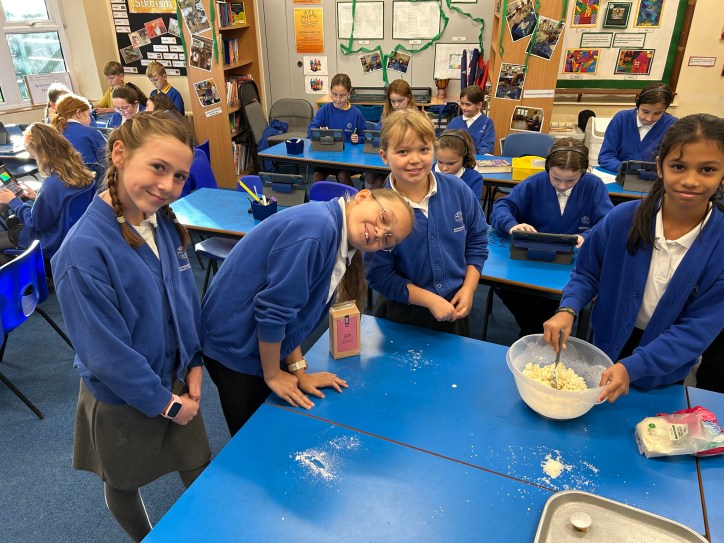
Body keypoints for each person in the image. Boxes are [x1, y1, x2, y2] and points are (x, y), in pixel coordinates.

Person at [50, 111, 210, 542]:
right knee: (122, 481)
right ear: (119, 154)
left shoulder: (162, 221)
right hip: (124, 397)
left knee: (199, 464)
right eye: (157, 167)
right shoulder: (83, 252)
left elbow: (183, 298)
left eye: (179, 176)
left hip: (174, 376)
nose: (167, 185)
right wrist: (166, 404)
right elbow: (106, 355)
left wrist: (194, 360)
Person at [201, 189, 415, 436]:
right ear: (363, 196)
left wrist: (297, 370)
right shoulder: (318, 230)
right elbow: (274, 311)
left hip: (259, 342)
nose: (379, 233)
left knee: (274, 422)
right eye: (384, 218)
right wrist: (273, 374)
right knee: (254, 436)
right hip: (235, 348)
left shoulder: (339, 237)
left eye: (388, 239)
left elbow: (295, 313)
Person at [543, 114, 724, 403]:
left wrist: (634, 367)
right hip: (607, 350)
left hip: (665, 369)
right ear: (660, 167)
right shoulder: (622, 219)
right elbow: (587, 272)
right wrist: (568, 307)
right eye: (678, 166)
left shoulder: (719, 244)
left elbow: (697, 329)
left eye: (707, 170)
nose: (690, 180)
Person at [365, 109, 489, 337]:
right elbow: (379, 275)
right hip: (403, 312)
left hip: (455, 306)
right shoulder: (376, 210)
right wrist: (429, 300)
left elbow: (477, 242)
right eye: (403, 151)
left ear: (434, 149)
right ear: (384, 156)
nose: (415, 160)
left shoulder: (458, 190)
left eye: (424, 149)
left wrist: (469, 288)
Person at [490, 138, 614, 337]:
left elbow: (607, 222)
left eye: (571, 180)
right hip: (529, 261)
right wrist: (512, 225)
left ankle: (536, 330)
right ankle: (537, 329)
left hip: (570, 266)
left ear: (583, 172)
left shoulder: (593, 186)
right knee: (510, 290)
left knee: (563, 297)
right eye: (555, 178)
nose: (562, 185)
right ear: (548, 168)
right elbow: (501, 207)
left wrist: (587, 235)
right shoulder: (535, 182)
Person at [0, 123, 95, 264]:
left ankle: (22, 270)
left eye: (34, 156)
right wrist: (38, 196)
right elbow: (63, 204)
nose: (35, 160)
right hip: (73, 235)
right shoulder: (82, 174)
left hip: (49, 241)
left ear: (43, 156)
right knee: (13, 222)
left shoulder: (51, 185)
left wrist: (13, 201)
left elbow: (35, 224)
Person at [598, 83, 678, 173]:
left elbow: (671, 164)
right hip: (616, 174)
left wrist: (642, 174)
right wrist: (628, 170)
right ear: (638, 105)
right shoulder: (622, 118)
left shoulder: (672, 125)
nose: (649, 118)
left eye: (657, 113)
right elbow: (606, 157)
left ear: (665, 110)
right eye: (645, 112)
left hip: (651, 179)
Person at [307, 73, 367, 186]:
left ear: (349, 92)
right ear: (330, 91)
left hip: (347, 158)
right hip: (327, 156)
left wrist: (358, 139)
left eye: (342, 95)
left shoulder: (356, 114)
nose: (338, 99)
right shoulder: (325, 110)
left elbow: (366, 137)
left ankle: (352, 195)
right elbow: (311, 130)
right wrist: (319, 133)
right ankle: (317, 197)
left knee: (343, 176)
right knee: (317, 178)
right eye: (334, 95)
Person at [367, 79, 419, 189]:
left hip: (404, 158)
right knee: (369, 176)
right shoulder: (386, 114)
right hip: (387, 155)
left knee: (381, 181)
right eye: (393, 101)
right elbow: (377, 138)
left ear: (408, 97)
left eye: (400, 101)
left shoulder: (416, 117)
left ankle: (373, 196)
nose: (396, 105)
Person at [51, 93, 107, 166]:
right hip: (91, 173)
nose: (90, 119)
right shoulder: (91, 133)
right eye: (88, 114)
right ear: (78, 113)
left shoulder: (53, 133)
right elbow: (107, 161)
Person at [435, 129, 483, 200]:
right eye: (440, 162)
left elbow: (472, 205)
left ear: (464, 157)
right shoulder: (428, 172)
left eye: (451, 163)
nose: (444, 168)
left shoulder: (474, 179)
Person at [447, 85, 495, 155]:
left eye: (468, 105)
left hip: (477, 159)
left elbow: (486, 145)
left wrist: (484, 154)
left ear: (479, 105)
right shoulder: (454, 122)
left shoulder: (487, 122)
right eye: (462, 103)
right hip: (455, 159)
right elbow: (445, 142)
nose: (463, 107)